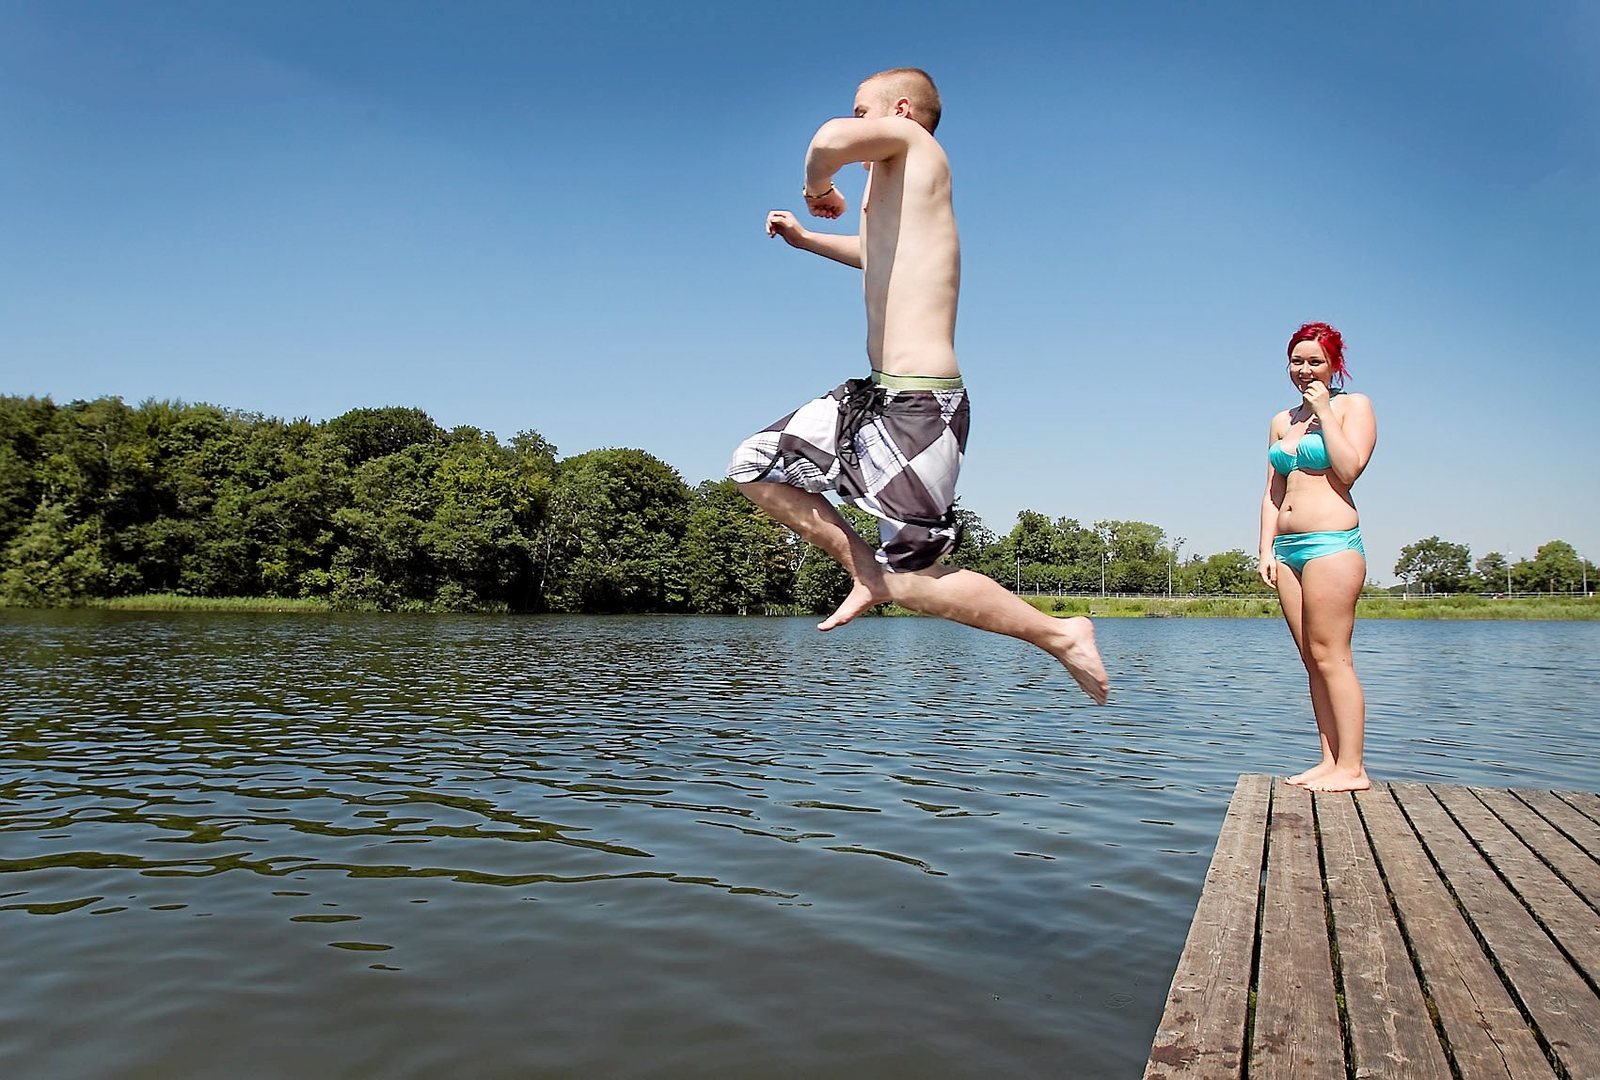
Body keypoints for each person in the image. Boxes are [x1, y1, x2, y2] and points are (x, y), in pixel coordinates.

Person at [725, 67, 1109, 704]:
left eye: (862, 109)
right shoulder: (897, 193)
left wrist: (819, 187)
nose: (854, 119)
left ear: (899, 112)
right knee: (756, 464)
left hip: (922, 405)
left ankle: (1061, 634)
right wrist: (806, 238)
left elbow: (826, 141)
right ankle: (866, 574)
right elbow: (877, 254)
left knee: (917, 582)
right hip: (875, 393)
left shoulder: (918, 148)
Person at [1258, 322, 1378, 791]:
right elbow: (1272, 489)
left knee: (1334, 657)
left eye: (1315, 361)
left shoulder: (1353, 406)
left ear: (1334, 365)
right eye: (1297, 360)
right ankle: (1329, 760)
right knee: (1311, 659)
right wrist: (1265, 548)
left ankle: (1354, 767)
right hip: (1286, 550)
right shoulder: (1280, 421)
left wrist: (1324, 410)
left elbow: (1349, 470)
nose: (1304, 370)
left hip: (1331, 544)